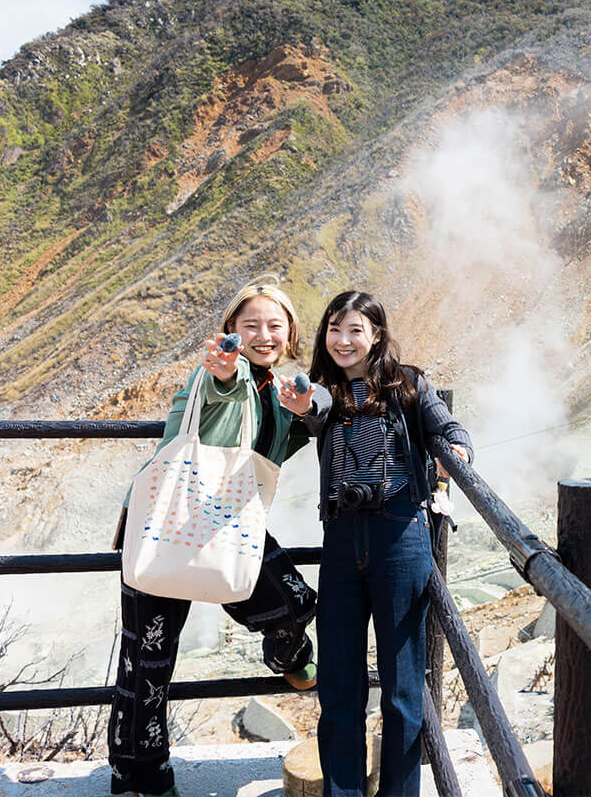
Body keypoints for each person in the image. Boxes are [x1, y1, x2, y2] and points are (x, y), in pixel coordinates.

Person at [109, 279, 330, 797]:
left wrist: (310, 405)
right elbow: (219, 390)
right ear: (230, 330)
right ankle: (141, 780)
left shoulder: (281, 390)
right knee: (149, 660)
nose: (263, 334)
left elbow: (320, 415)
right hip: (164, 525)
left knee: (294, 601)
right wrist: (225, 375)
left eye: (274, 325)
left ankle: (287, 654)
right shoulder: (215, 372)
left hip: (229, 523)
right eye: (250, 324)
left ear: (290, 332)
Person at [301, 290, 471, 797]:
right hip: (340, 540)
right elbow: (312, 411)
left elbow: (448, 425)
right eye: (335, 329)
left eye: (355, 330)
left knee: (401, 687)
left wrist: (456, 449)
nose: (343, 340)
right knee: (338, 683)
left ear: (376, 335)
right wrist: (300, 403)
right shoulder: (323, 388)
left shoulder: (410, 384)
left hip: (399, 537)